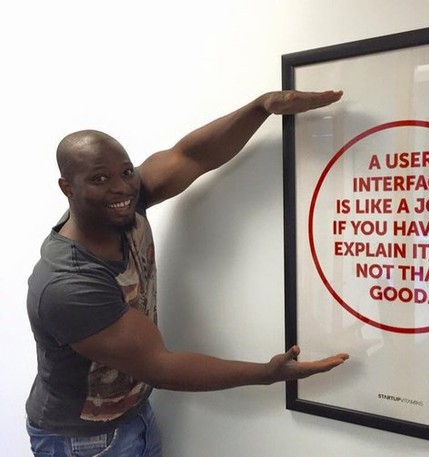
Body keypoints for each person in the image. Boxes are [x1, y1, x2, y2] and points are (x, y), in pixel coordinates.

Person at [25, 90, 348, 457]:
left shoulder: (124, 203)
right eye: (99, 179)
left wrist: (260, 108)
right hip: (80, 442)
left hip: (134, 415)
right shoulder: (68, 284)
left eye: (126, 172)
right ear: (67, 188)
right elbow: (160, 367)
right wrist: (267, 373)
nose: (121, 187)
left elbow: (192, 155)